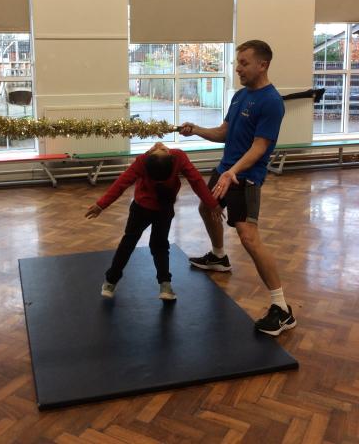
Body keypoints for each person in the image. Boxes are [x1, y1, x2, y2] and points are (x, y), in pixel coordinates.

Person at [180, 40, 297, 336]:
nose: (238, 68)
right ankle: (219, 256)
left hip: (246, 177)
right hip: (225, 169)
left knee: (248, 237)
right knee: (206, 208)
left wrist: (233, 172)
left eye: (244, 63)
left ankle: (282, 309)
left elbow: (260, 147)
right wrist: (196, 130)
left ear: (263, 64)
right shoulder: (240, 95)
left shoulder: (271, 102)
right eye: (237, 63)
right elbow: (224, 132)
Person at [85, 142, 223, 301]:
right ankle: (165, 285)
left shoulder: (143, 161)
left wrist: (101, 205)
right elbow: (196, 181)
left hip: (141, 209)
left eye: (159, 149)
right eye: (161, 149)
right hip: (163, 210)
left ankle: (110, 282)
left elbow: (122, 182)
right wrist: (213, 204)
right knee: (159, 246)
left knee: (128, 243)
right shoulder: (178, 157)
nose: (159, 145)